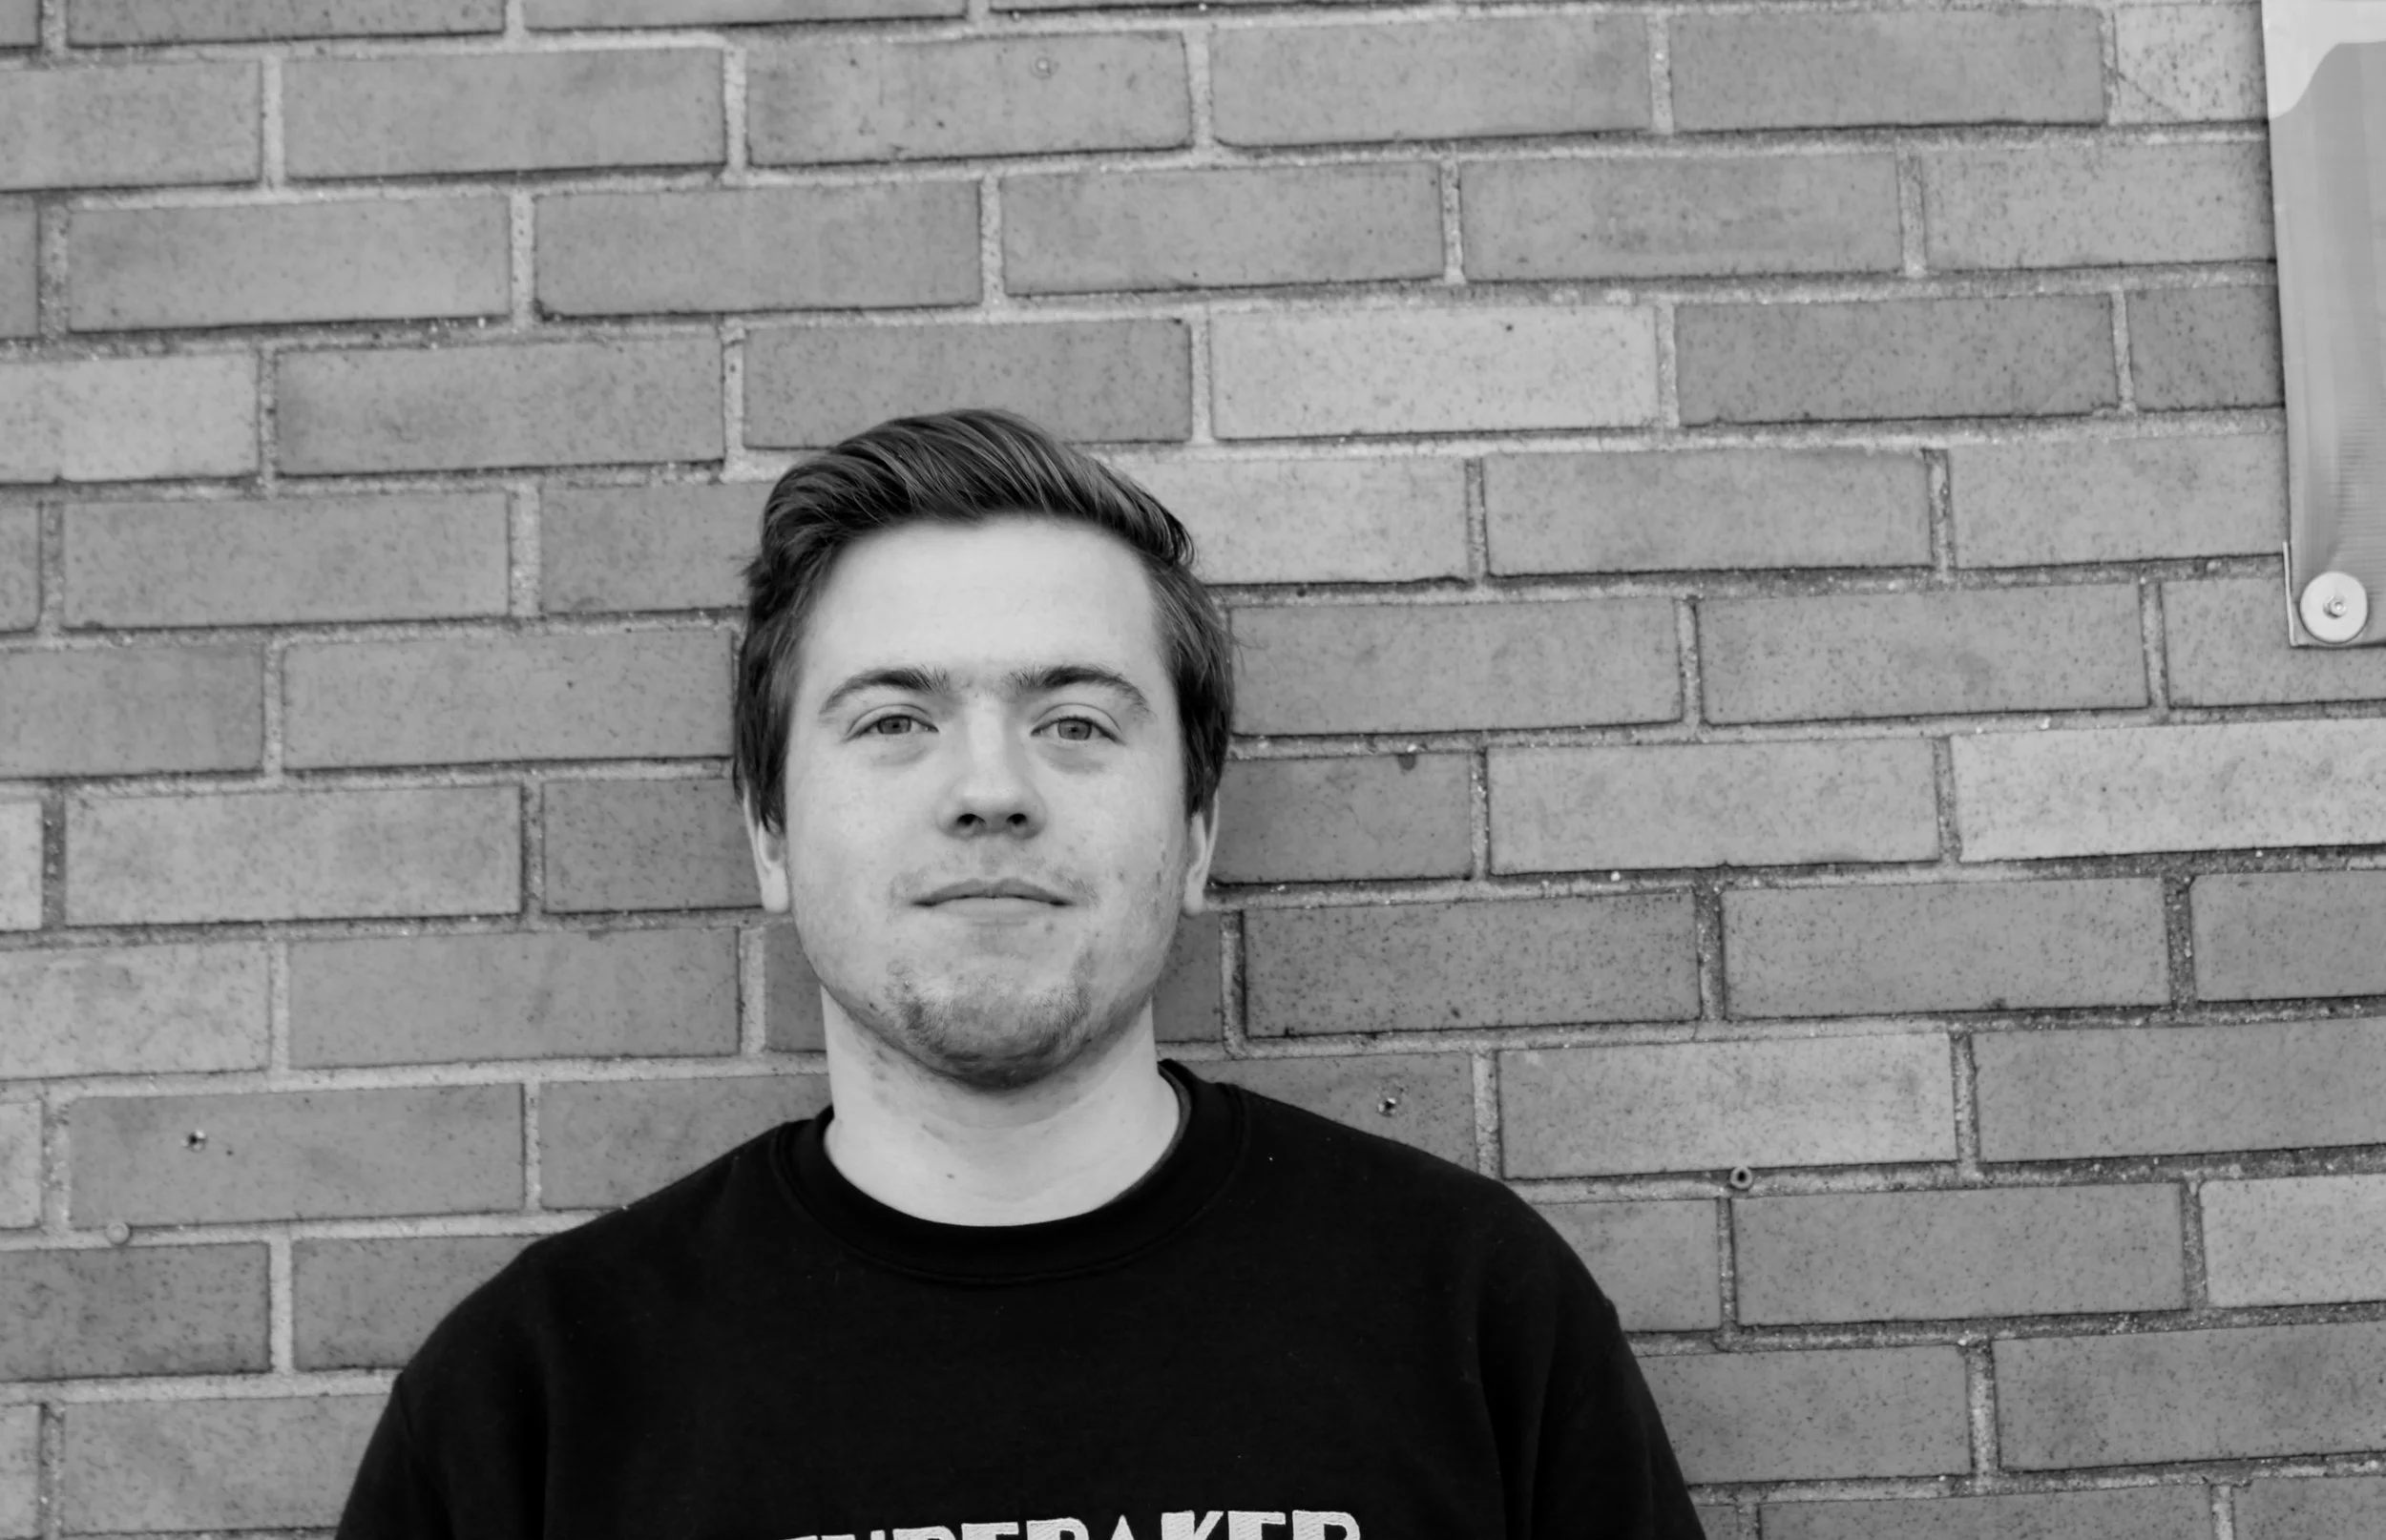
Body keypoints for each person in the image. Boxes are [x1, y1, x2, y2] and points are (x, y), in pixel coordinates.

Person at [334, 408, 1704, 1540]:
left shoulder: (1472, 1315)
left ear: (1197, 832)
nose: (991, 788)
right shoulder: (537, 1398)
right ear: (770, 834)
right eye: (894, 720)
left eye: (1077, 721)